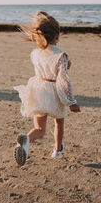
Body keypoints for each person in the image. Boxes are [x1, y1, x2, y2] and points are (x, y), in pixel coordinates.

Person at [14, 11, 80, 165]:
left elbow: (45, 65)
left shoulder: (35, 53)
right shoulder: (61, 55)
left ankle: (26, 141)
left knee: (40, 129)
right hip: (54, 92)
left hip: (38, 90)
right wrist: (71, 101)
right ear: (57, 35)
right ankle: (57, 150)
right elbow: (63, 80)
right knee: (59, 122)